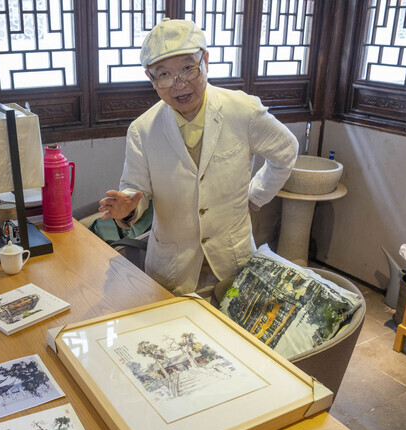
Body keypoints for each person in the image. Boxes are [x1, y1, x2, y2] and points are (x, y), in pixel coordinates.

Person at [98, 18, 298, 296]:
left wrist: (256, 194)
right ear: (150, 78)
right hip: (172, 268)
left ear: (205, 60)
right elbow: (136, 190)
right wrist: (128, 208)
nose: (179, 85)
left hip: (232, 262)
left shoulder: (243, 111)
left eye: (187, 69)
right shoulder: (142, 129)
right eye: (164, 74)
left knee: (232, 337)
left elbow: (286, 150)